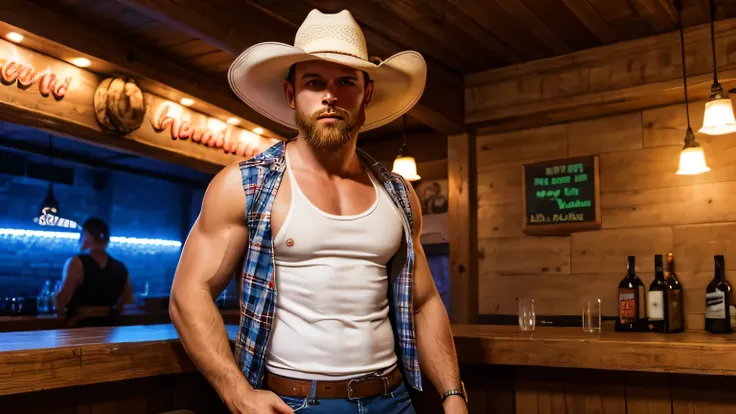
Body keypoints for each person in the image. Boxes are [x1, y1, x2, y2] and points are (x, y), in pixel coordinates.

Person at [170, 9, 467, 414]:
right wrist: (237, 393)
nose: (330, 95)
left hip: (394, 400)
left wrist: (452, 395)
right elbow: (189, 293)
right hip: (295, 403)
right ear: (292, 95)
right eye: (314, 82)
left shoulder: (398, 194)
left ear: (367, 94)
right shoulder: (247, 185)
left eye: (346, 81)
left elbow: (425, 302)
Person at [55, 217, 132, 325]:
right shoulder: (121, 267)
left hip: (81, 328)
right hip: (110, 329)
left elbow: (62, 301)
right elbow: (127, 301)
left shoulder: (76, 262)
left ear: (87, 236)